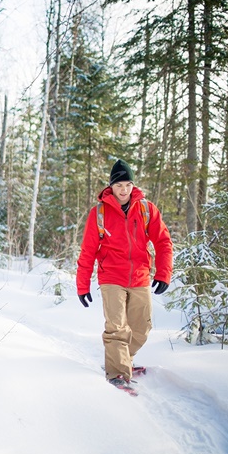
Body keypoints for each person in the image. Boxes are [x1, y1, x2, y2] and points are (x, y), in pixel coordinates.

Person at [76, 159, 173, 392]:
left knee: (142, 327)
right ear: (111, 186)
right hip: (111, 277)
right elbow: (88, 250)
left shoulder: (147, 209)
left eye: (128, 184)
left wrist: (164, 273)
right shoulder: (99, 212)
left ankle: (122, 360)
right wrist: (82, 285)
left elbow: (163, 242)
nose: (124, 189)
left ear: (133, 185)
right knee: (117, 327)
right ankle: (118, 373)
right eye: (119, 185)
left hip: (140, 276)